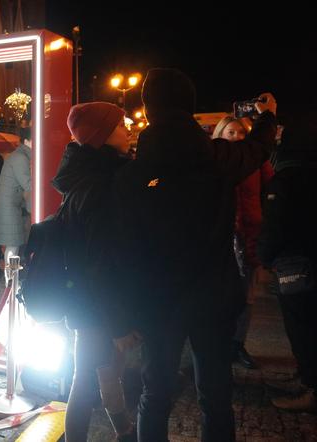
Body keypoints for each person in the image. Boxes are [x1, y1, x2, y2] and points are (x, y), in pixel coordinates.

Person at [111, 68, 278, 442]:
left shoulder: (132, 174)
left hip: (157, 302)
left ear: (148, 107)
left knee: (155, 395)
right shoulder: (219, 159)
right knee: (216, 396)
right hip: (213, 297)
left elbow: (124, 251)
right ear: (189, 106)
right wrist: (267, 115)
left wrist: (124, 313)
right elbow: (259, 148)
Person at [53, 102, 136, 442]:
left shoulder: (88, 176)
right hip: (97, 304)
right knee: (86, 379)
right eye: (120, 125)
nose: (129, 129)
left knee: (99, 374)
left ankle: (125, 431)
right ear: (101, 136)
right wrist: (118, 324)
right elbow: (102, 262)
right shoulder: (102, 185)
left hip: (87, 300)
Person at [258, 113, 317, 412]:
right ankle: (308, 379)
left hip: (296, 266)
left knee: (302, 327)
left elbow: (275, 226)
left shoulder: (286, 178)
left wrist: (264, 257)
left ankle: (311, 388)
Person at [212, 116, 275, 369]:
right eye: (231, 132)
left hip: (250, 237)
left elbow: (271, 192)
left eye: (241, 133)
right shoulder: (213, 162)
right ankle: (218, 344)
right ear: (220, 134)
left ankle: (237, 344)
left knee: (246, 296)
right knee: (220, 296)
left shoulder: (257, 164)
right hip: (222, 239)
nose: (237, 137)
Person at [0, 127, 32, 267]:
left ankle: (11, 277)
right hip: (8, 206)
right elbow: (28, 184)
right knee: (12, 244)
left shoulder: (21, 155)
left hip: (11, 204)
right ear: (27, 141)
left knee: (14, 243)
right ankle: (10, 278)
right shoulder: (20, 158)